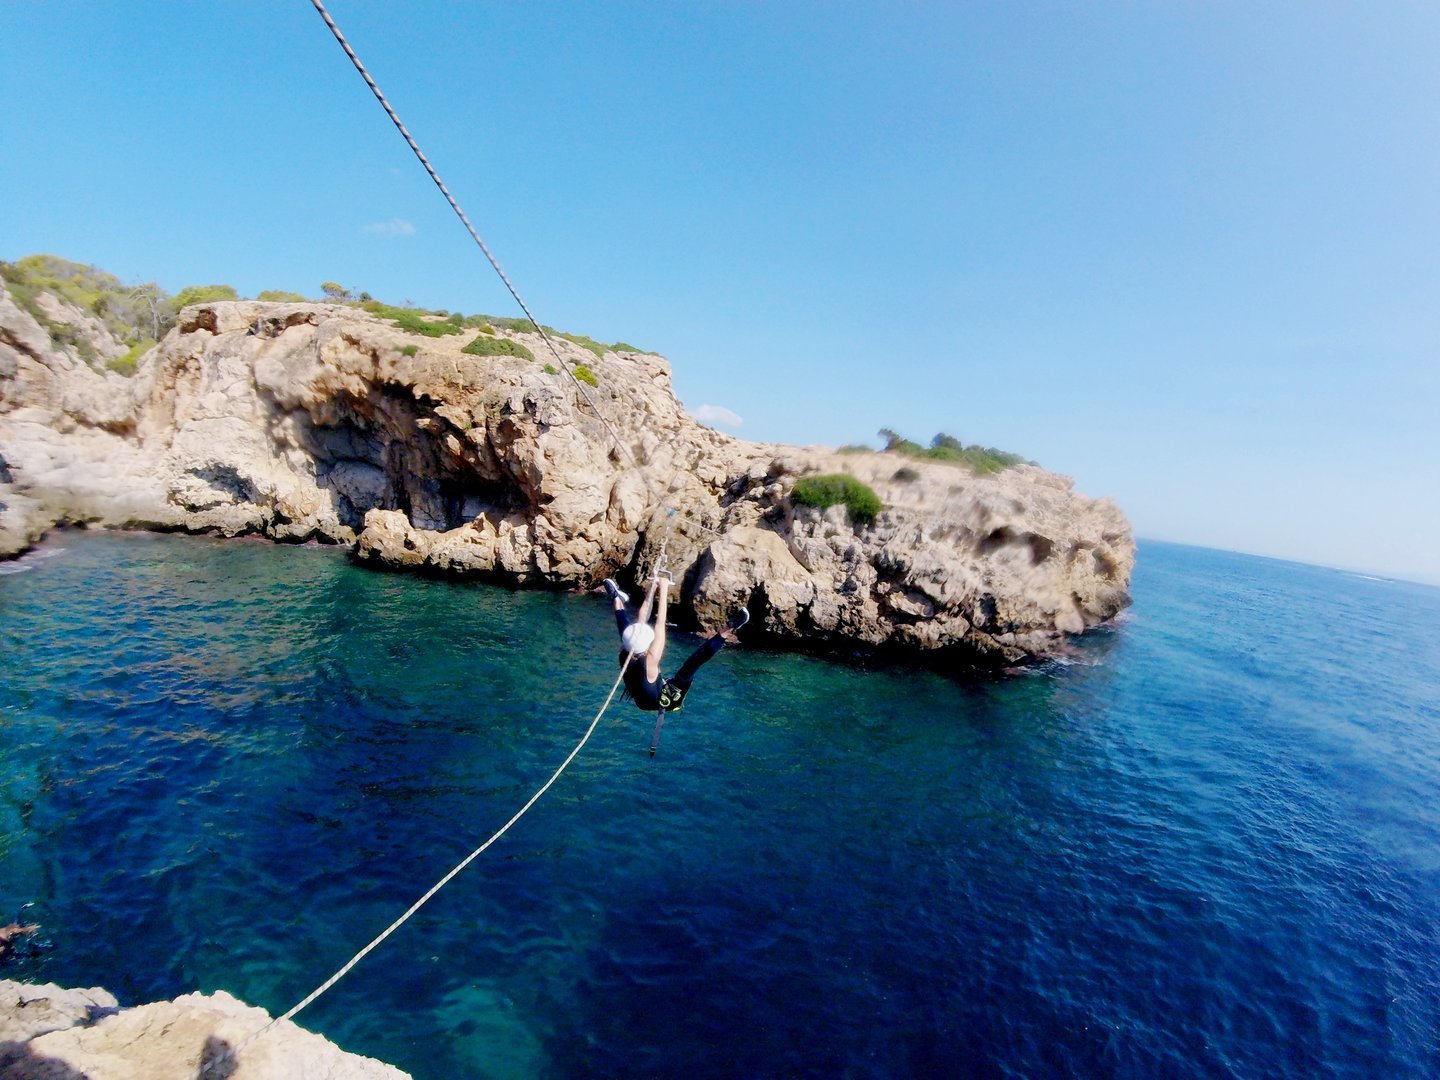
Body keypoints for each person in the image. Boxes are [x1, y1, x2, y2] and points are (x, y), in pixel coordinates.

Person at [602, 575, 747, 739]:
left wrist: (652, 589)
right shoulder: (649, 660)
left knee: (626, 631)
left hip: (641, 699)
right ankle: (730, 628)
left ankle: (616, 598)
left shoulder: (624, 653)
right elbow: (660, 622)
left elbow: (641, 620)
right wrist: (663, 589)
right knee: (690, 665)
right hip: (664, 700)